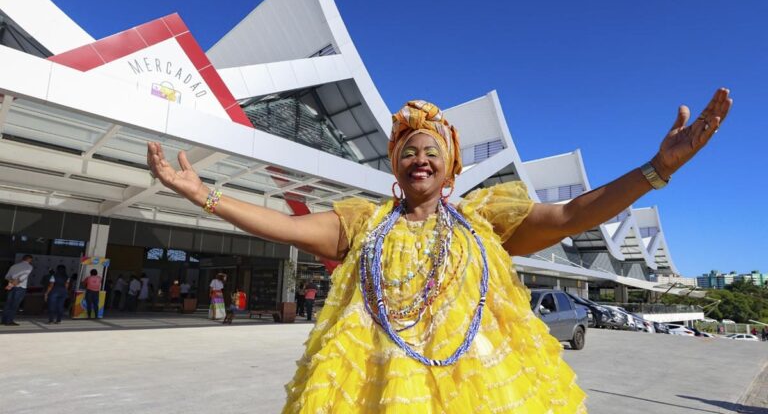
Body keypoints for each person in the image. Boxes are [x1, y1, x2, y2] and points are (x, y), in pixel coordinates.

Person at [148, 90, 732, 413]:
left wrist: (656, 170)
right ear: (396, 167)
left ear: (450, 167)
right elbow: (279, 225)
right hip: (375, 391)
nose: (418, 158)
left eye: (431, 150)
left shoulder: (486, 221)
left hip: (478, 390)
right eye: (407, 151)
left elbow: (575, 214)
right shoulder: (363, 223)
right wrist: (207, 196)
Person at [2, 255, 34, 326]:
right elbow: (21, 278)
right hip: (20, 288)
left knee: (8, 304)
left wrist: (11, 284)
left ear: (22, 259)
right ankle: (9, 321)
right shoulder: (29, 267)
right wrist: (13, 284)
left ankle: (3, 320)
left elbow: (7, 277)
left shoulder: (14, 266)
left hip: (11, 287)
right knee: (14, 305)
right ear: (30, 260)